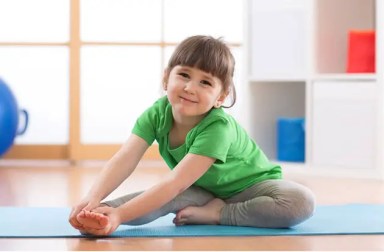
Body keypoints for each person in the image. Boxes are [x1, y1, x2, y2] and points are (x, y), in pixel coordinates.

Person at [69, 35, 315, 236]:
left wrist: (122, 216)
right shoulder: (157, 113)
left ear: (221, 97)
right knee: (162, 197)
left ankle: (219, 213)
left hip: (253, 189)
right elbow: (126, 158)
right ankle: (101, 215)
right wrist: (93, 199)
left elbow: (174, 183)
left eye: (205, 83)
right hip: (200, 189)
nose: (190, 88)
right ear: (166, 78)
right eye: (184, 75)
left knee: (300, 201)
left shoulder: (218, 127)